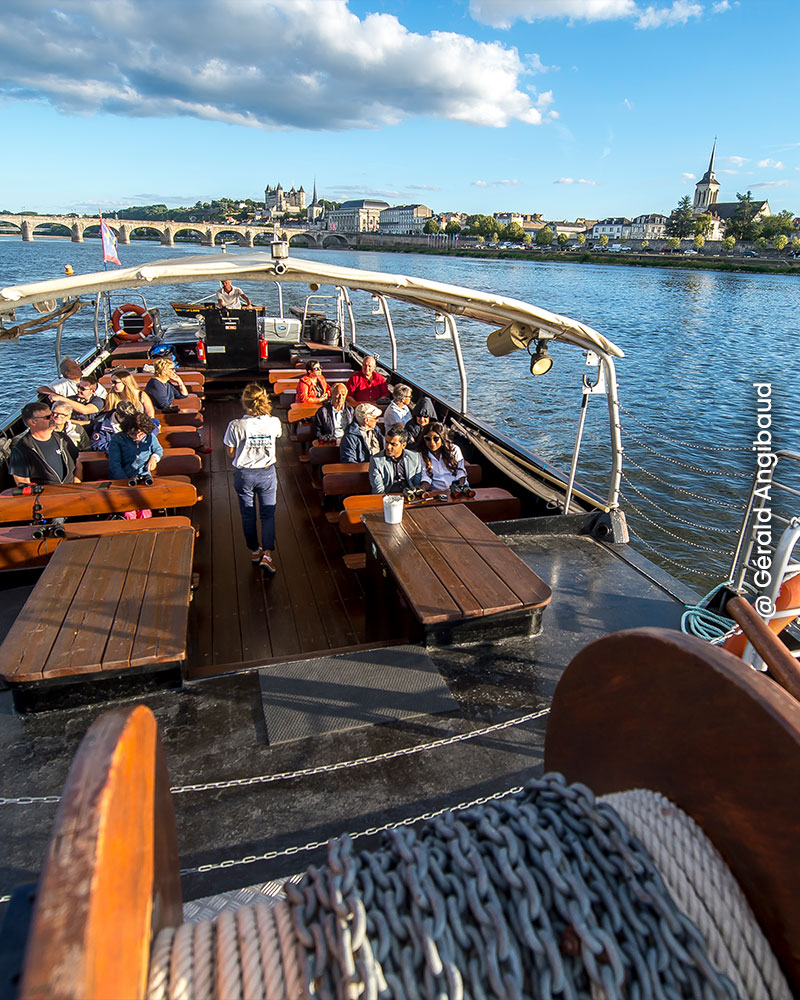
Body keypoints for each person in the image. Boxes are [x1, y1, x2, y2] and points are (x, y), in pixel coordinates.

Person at [223, 383, 282, 573]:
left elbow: (230, 452)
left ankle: (255, 551)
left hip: (244, 475)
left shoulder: (236, 425)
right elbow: (277, 436)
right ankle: (268, 555)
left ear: (244, 402)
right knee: (268, 514)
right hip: (266, 473)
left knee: (248, 514)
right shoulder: (274, 422)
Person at [8, 401, 79, 485]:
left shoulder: (62, 438)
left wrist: (77, 483)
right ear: (33, 422)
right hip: (45, 496)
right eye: (48, 417)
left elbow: (78, 462)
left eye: (52, 415)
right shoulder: (22, 449)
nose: (53, 418)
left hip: (72, 490)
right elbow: (23, 483)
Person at [369, 424, 424, 495]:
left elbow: (416, 484)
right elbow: (378, 490)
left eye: (393, 444)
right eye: (387, 442)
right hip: (387, 496)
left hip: (409, 496)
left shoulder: (414, 457)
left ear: (403, 445)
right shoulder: (376, 460)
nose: (388, 447)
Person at [107, 412, 163, 481]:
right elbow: (114, 464)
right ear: (127, 431)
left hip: (144, 475)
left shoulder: (150, 436)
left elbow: (158, 449)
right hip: (123, 476)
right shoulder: (117, 439)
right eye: (133, 434)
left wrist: (154, 458)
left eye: (141, 434)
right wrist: (124, 480)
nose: (137, 437)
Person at [418, 422, 468, 491]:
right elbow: (426, 477)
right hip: (436, 493)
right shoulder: (422, 455)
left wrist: (459, 486)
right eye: (428, 439)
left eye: (436, 438)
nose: (432, 442)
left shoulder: (454, 450)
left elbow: (461, 472)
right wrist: (422, 489)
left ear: (442, 438)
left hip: (458, 489)